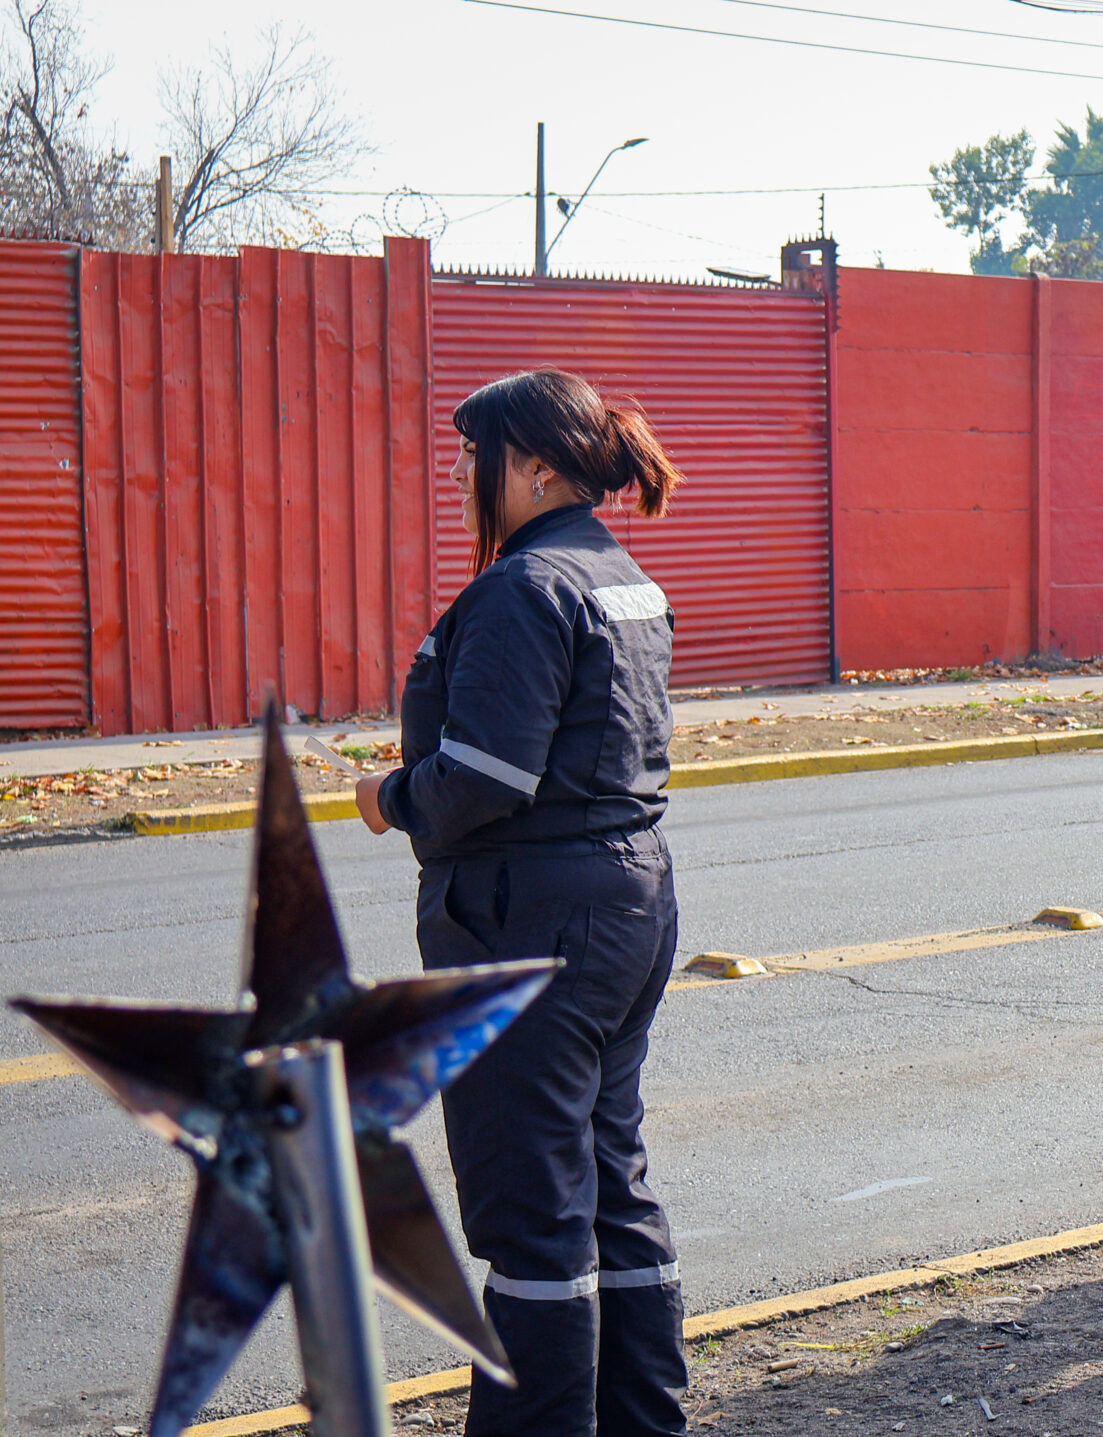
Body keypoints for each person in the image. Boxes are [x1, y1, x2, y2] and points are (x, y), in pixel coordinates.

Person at [354, 368, 690, 1435]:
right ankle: (643, 1420)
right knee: (610, 1182)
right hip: (625, 902)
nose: (460, 472)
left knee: (531, 1215)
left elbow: (488, 780)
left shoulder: (521, 587)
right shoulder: (618, 573)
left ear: (536, 466)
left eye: (474, 454)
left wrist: (389, 796)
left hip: (531, 921)